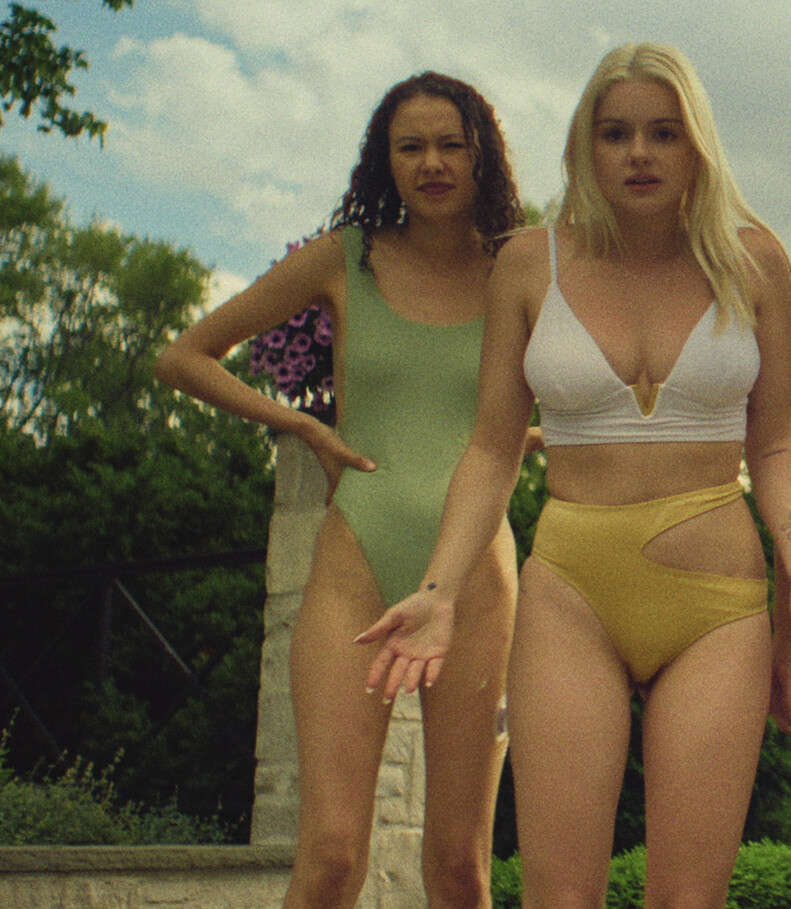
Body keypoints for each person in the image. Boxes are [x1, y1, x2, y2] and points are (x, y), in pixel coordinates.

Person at [358, 43, 791, 909]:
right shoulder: (529, 263)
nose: (640, 153)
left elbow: (774, 446)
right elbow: (491, 449)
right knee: (560, 897)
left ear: (697, 145)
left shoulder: (755, 262)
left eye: (664, 132)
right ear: (585, 146)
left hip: (716, 601)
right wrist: (440, 589)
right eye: (617, 133)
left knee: (686, 900)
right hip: (571, 592)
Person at [155, 73, 523, 909]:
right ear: (383, 160)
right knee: (328, 855)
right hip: (355, 561)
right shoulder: (345, 257)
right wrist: (307, 426)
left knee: (460, 869)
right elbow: (183, 357)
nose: (431, 163)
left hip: (478, 580)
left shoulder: (519, 267)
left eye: (450, 144)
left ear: (482, 155)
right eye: (410, 146)